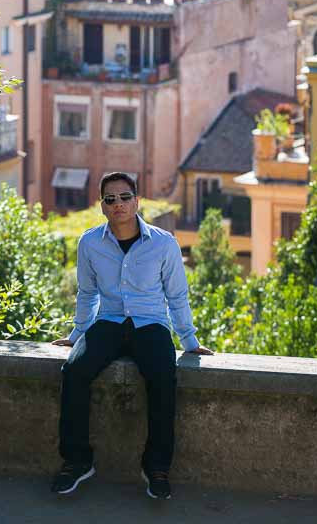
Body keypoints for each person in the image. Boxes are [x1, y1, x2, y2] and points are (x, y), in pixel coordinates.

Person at [51, 171, 213, 501]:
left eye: (125, 197)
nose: (119, 204)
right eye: (110, 199)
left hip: (151, 324)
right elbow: (87, 293)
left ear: (137, 201)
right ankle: (77, 460)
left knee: (164, 377)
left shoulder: (164, 243)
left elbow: (177, 295)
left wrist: (189, 341)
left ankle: (156, 467)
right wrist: (76, 334)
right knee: (74, 370)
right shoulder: (90, 243)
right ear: (103, 206)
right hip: (108, 322)